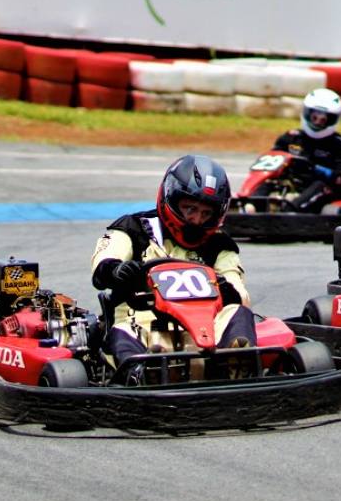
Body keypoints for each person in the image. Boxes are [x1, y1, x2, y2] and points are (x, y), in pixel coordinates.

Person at [91, 154, 256, 370]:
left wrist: (224, 287)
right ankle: (140, 373)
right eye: (191, 209)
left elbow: (239, 292)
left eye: (206, 213)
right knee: (126, 332)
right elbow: (102, 266)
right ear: (171, 199)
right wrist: (118, 270)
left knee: (239, 313)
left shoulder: (219, 245)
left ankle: (236, 366)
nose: (197, 220)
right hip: (142, 320)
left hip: (205, 329)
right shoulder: (133, 228)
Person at [271, 87, 341, 212]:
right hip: (293, 186)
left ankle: (288, 212)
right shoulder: (291, 138)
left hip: (323, 192)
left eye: (323, 119)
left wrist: (317, 169)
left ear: (333, 120)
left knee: (319, 186)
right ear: (307, 113)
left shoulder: (340, 145)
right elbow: (273, 158)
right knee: (268, 181)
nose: (317, 123)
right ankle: (250, 204)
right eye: (314, 117)